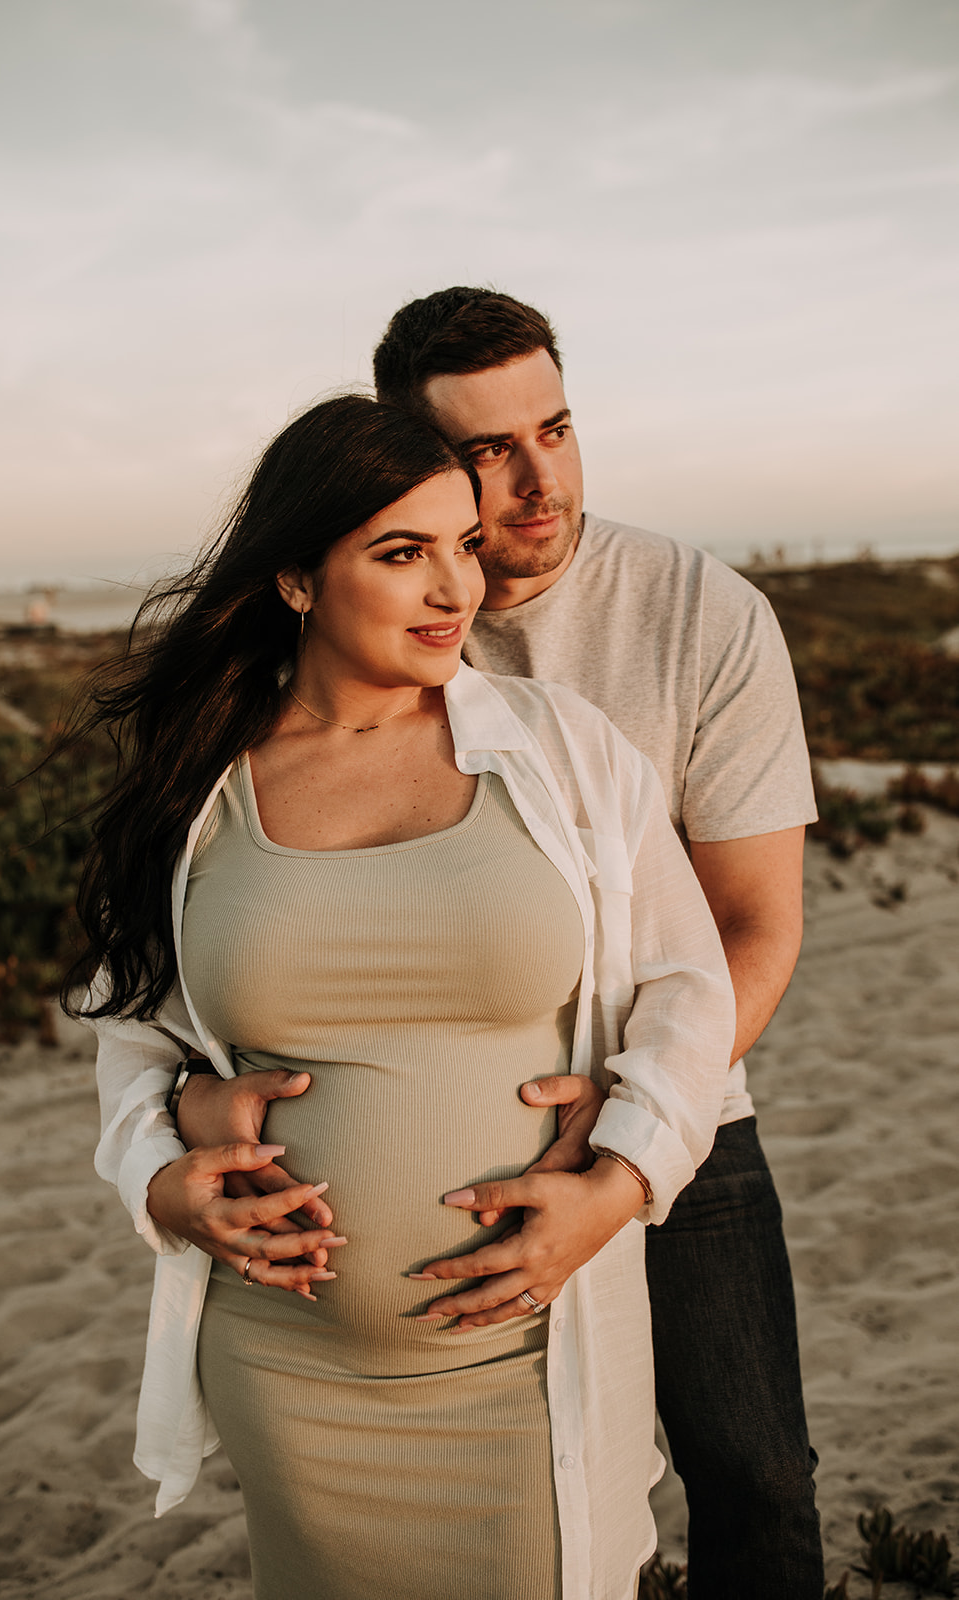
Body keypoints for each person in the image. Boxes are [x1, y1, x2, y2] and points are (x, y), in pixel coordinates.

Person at [70, 394, 735, 1600]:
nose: (454, 590)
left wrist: (621, 1181)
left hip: (526, 1364)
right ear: (295, 581)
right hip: (286, 1370)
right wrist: (162, 1174)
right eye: (401, 552)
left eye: (463, 547)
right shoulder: (200, 789)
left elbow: (689, 990)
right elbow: (131, 1041)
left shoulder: (563, 750)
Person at [370, 287, 823, 1600]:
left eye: (553, 430)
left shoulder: (701, 613)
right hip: (449, 1128)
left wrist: (623, 1143)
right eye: (484, 451)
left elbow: (755, 928)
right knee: (501, 1509)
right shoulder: (368, 621)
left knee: (752, 1473)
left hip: (682, 1110)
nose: (534, 480)